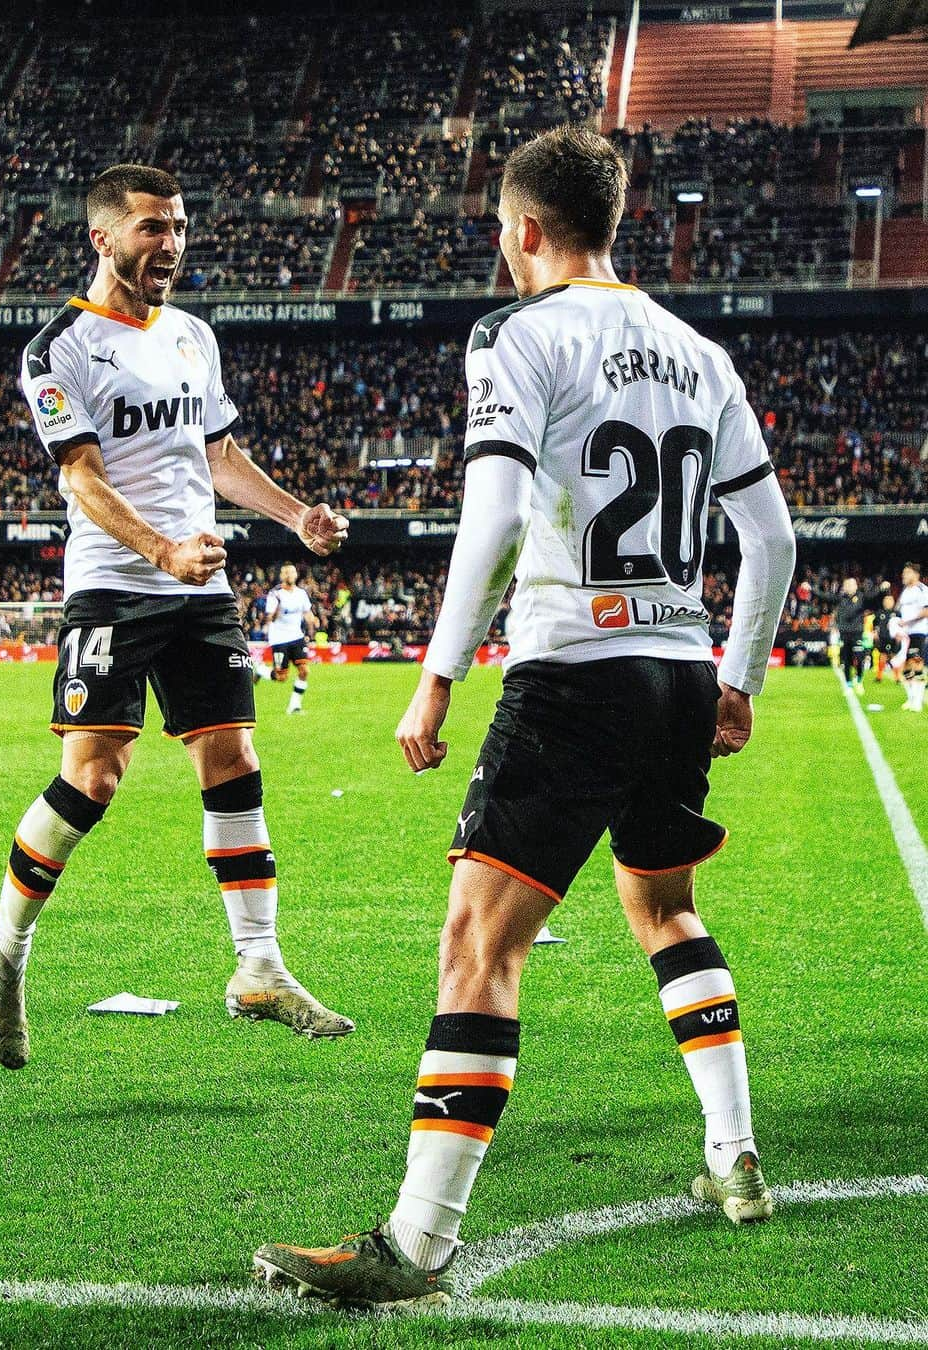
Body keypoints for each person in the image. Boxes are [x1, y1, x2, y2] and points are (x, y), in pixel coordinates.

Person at [254, 125, 796, 1308]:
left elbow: (495, 517)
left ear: (529, 231)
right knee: (663, 907)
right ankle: (734, 1153)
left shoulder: (518, 333)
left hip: (576, 669)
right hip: (678, 669)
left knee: (479, 944)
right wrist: (738, 678)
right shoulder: (699, 349)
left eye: (504, 231)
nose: (502, 251)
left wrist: (439, 672)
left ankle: (418, 1241)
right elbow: (773, 539)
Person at [0, 164, 354, 1072]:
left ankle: (258, 965)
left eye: (177, 226)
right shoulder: (58, 348)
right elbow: (82, 480)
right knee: (95, 780)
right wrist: (162, 551)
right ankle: (4, 950)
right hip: (114, 583)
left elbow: (217, 455)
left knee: (233, 756)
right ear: (103, 239)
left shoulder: (191, 336)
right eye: (151, 229)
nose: (170, 244)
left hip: (198, 589)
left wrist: (294, 515)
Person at [253, 562, 317, 713]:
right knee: (281, 677)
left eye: (292, 572)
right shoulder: (275, 594)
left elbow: (307, 612)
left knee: (304, 671)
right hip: (280, 639)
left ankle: (294, 705)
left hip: (296, 637)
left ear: (296, 575)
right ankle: (261, 670)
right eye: (287, 573)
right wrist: (277, 608)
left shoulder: (301, 593)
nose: (290, 575)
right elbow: (271, 618)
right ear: (282, 576)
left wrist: (312, 621)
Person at [826, 576, 890, 695]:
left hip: (857, 633)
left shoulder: (861, 597)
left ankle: (859, 680)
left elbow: (873, 595)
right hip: (844, 633)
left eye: (852, 584)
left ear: (856, 586)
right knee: (846, 660)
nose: (849, 587)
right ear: (844, 587)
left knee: (860, 657)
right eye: (847, 585)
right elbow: (826, 596)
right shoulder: (841, 598)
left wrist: (882, 588)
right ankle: (848, 685)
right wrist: (812, 588)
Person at [896, 562, 928, 712]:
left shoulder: (922, 589)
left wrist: (907, 621)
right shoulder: (905, 591)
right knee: (906, 669)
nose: (904, 575)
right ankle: (911, 699)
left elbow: (926, 612)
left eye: (907, 573)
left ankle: (918, 702)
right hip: (907, 634)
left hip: (918, 632)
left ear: (915, 574)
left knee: (917, 666)